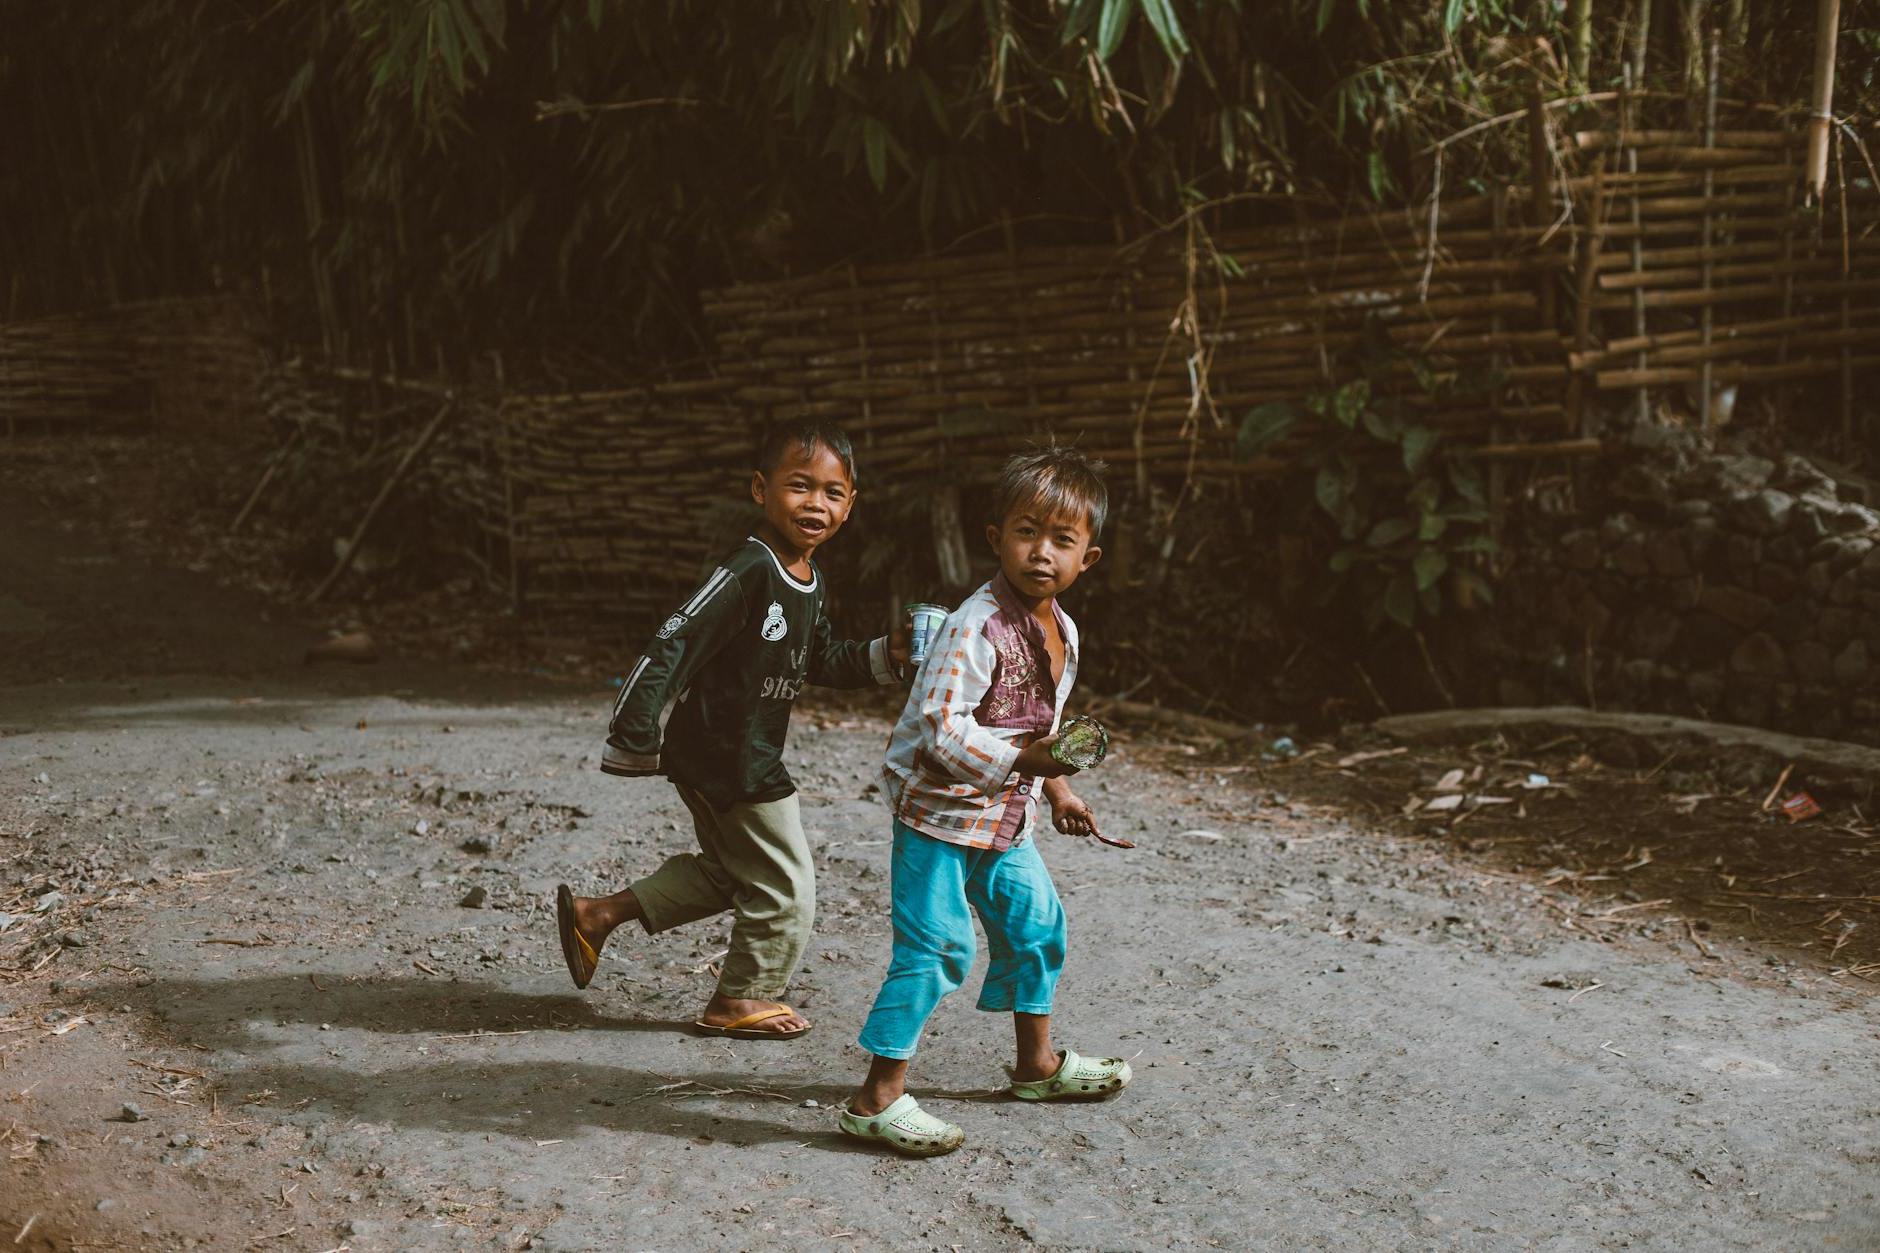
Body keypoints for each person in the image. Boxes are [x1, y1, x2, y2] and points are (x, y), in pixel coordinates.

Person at [556, 422, 906, 1039]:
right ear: (759, 489)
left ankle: (597, 914)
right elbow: (676, 638)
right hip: (730, 757)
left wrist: (889, 654)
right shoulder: (749, 568)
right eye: (800, 487)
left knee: (729, 872)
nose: (815, 504)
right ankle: (742, 996)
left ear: (850, 507)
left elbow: (818, 658)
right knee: (787, 885)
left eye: (832, 493)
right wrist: (635, 731)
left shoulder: (808, 576)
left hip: (739, 751)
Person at [840, 446, 1131, 1157]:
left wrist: (1058, 786)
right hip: (937, 820)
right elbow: (942, 731)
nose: (1042, 552)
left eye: (1062, 541)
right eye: (1027, 532)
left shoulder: (1062, 629)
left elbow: (1043, 726)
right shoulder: (972, 626)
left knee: (1038, 927)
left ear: (1086, 559)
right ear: (994, 535)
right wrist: (1029, 762)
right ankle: (876, 1098)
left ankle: (1037, 1066)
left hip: (1005, 819)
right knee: (937, 947)